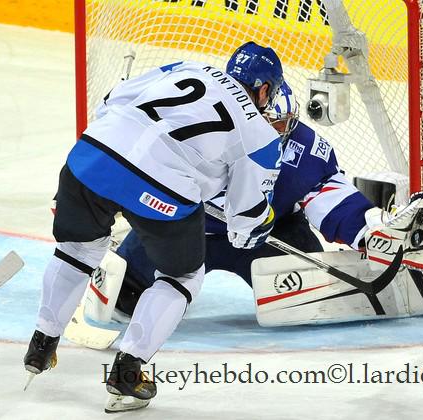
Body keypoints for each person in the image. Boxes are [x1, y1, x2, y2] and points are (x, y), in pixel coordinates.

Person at [23, 42, 285, 412]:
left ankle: (42, 344)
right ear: (264, 89)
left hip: (92, 153)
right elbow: (245, 224)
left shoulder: (187, 67)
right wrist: (262, 222)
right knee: (183, 276)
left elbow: (110, 101)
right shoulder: (260, 134)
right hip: (162, 189)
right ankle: (127, 373)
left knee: (78, 249)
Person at [110, 81, 377, 316]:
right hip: (188, 230)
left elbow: (329, 196)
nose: (279, 132)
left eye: (283, 124)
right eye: (271, 125)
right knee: (124, 295)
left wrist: (367, 232)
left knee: (315, 300)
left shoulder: (302, 148)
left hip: (269, 235)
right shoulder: (197, 133)